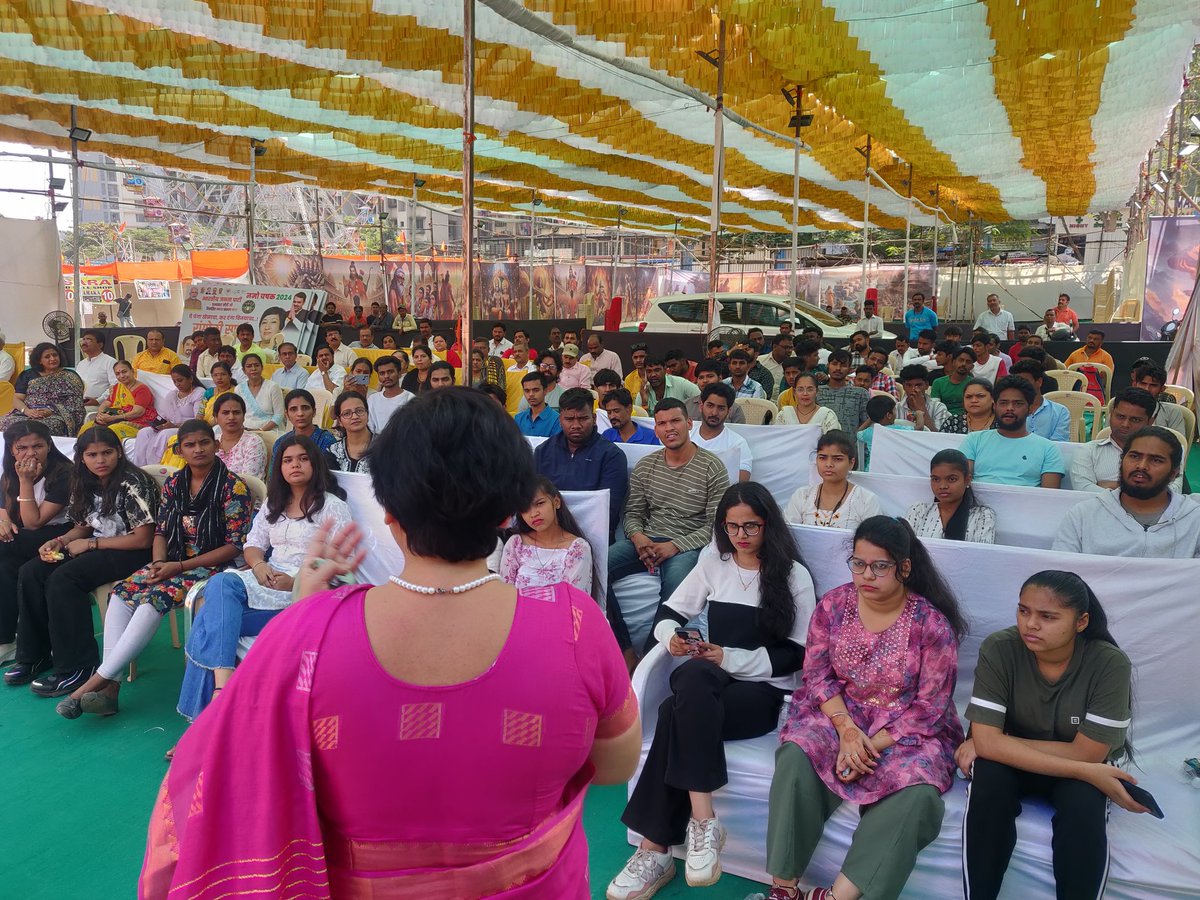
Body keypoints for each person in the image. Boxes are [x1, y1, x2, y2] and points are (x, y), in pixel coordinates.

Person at [142, 388, 641, 897]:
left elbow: (208, 774)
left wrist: (303, 607)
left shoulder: (308, 633)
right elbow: (614, 766)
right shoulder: (576, 626)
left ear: (388, 512)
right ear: (505, 515)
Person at [610, 484, 817, 898]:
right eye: (732, 526)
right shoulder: (714, 559)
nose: (741, 535)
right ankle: (704, 821)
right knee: (691, 676)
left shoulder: (793, 575)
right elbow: (669, 612)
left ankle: (655, 849)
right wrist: (671, 637)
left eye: (751, 526)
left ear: (768, 524)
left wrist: (728, 658)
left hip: (764, 692)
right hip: (715, 679)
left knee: (673, 712)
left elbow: (796, 655)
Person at [763, 516, 966, 900]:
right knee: (796, 754)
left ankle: (838, 896)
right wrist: (847, 730)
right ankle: (784, 888)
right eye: (858, 563)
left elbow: (931, 706)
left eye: (880, 566)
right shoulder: (833, 606)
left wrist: (870, 744)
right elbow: (818, 675)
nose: (866, 575)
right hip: (841, 713)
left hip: (906, 730)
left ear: (904, 568)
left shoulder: (931, 625)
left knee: (918, 795)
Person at [960, 571, 1146, 900]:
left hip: (1054, 763)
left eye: (1047, 616)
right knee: (989, 783)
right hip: (1014, 766)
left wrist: (994, 743)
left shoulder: (1109, 663)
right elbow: (1085, 763)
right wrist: (1090, 772)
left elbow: (1088, 752)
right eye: (1024, 610)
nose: (1030, 624)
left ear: (1081, 621)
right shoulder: (1000, 649)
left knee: (1083, 805)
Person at [60, 420, 251, 718]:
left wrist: (180, 566)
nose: (198, 449)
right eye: (190, 445)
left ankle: (97, 681)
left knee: (153, 600)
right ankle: (112, 689)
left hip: (214, 567)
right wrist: (160, 563)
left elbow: (234, 546)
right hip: (172, 561)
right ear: (180, 450)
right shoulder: (175, 483)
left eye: (204, 443)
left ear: (215, 446)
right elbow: (160, 531)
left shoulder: (232, 487)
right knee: (123, 593)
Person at [175, 435, 351, 725]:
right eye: (288, 460)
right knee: (220, 587)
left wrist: (297, 582)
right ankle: (222, 690)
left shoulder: (332, 507)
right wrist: (257, 565)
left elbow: (342, 566)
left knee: (209, 618)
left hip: (302, 596)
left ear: (315, 464)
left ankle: (205, 721)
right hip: (267, 581)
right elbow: (253, 543)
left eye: (303, 458)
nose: (295, 465)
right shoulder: (275, 503)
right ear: (279, 468)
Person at [10, 427, 157, 697]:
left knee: (64, 579)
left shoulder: (134, 482)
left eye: (107, 453)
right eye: (92, 455)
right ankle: (36, 656)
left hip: (133, 551)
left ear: (119, 453)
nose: (100, 460)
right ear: (82, 457)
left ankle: (79, 668)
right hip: (99, 545)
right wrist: (62, 541)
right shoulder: (83, 481)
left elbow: (144, 540)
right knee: (32, 570)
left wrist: (91, 544)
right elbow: (84, 526)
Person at [607, 399, 729, 661]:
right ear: (656, 430)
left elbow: (716, 526)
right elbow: (633, 514)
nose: (668, 428)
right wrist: (638, 537)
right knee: (595, 565)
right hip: (646, 540)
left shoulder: (712, 467)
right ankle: (623, 649)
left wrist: (674, 545)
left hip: (687, 545)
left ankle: (652, 656)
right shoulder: (646, 466)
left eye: (675, 421)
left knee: (676, 586)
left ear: (689, 423)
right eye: (661, 423)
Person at [1053, 426, 1200, 557]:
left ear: (1174, 472)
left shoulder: (1194, 519)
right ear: (1121, 461)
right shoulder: (1083, 515)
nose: (1141, 466)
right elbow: (1060, 572)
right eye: (1134, 456)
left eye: (1156, 460)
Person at [0, 421, 74, 666]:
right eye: (22, 447)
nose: (30, 453)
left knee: (5, 549)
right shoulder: (10, 469)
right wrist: (3, 523)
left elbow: (34, 522)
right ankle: (7, 640)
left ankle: (7, 639)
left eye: (37, 446)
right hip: (22, 538)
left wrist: (25, 481)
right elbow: (3, 507)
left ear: (49, 446)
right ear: (11, 449)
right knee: (5, 565)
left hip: (60, 536)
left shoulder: (65, 472)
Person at [533, 388, 628, 540]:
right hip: (544, 534)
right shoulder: (543, 452)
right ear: (560, 420)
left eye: (583, 418)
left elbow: (607, 511)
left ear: (594, 418)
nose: (576, 425)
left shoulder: (611, 456)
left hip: (592, 537)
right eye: (569, 419)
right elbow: (532, 500)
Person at [961, 377, 1064, 487]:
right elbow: (961, 483)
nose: (1009, 408)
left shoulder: (1048, 449)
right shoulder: (974, 440)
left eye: (1018, 404)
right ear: (994, 406)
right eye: (1003, 403)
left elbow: (1049, 497)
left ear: (1030, 409)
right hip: (976, 503)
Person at [499, 477, 593, 595]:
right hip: (517, 613)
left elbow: (573, 599)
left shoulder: (577, 548)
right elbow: (505, 593)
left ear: (556, 502)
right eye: (524, 509)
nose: (533, 514)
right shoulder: (516, 543)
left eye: (540, 503)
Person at [784, 431, 882, 529]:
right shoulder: (802, 496)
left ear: (851, 463)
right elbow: (786, 534)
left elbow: (874, 540)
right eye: (822, 458)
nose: (828, 464)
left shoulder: (866, 500)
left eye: (837, 459)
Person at [905, 449, 996, 543]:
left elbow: (982, 554)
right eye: (936, 479)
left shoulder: (982, 516)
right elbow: (904, 549)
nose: (942, 486)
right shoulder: (919, 511)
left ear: (967, 480)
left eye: (952, 479)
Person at [1, 343, 85, 437]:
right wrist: (27, 411)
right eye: (47, 356)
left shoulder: (70, 376)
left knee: (45, 427)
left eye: (55, 355)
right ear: (39, 360)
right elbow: (17, 398)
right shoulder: (28, 375)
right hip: (27, 413)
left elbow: (76, 404)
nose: (52, 359)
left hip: (56, 416)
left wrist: (51, 411)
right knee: (5, 422)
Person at [132, 365, 205, 466]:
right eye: (174, 381)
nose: (177, 384)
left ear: (191, 379)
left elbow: (198, 421)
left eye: (180, 380)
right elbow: (164, 416)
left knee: (165, 434)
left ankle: (154, 468)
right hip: (169, 426)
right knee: (144, 432)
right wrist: (158, 424)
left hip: (188, 428)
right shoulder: (172, 395)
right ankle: (139, 468)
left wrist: (174, 425)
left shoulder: (199, 393)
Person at [690, 383, 752, 481]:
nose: (714, 413)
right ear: (701, 406)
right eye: (710, 406)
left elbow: (741, 483)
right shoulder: (686, 436)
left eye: (721, 408)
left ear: (728, 412)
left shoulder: (738, 444)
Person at [90, 360, 158, 440]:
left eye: (124, 372)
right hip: (113, 418)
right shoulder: (117, 387)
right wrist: (100, 415)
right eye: (117, 374)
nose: (121, 376)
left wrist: (113, 418)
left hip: (135, 421)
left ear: (132, 371)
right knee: (87, 428)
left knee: (110, 431)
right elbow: (106, 403)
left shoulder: (142, 390)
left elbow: (138, 412)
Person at [1009, 359, 1070, 441]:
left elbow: (1058, 445)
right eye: (1015, 382)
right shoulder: (1009, 411)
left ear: (1039, 382)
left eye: (1024, 381)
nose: (1019, 385)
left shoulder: (1060, 411)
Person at [211, 393, 267, 481]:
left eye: (236, 413)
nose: (231, 417)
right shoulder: (212, 441)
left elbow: (249, 481)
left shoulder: (253, 442)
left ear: (244, 416)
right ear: (216, 417)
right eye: (225, 413)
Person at [1130, 361, 1190, 437]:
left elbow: (1179, 444)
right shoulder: (1120, 405)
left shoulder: (1173, 412)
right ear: (1134, 385)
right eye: (1143, 384)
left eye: (1153, 385)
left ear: (1162, 389)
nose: (1147, 389)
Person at [816, 350, 869, 432]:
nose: (838, 368)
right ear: (827, 365)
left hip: (851, 443)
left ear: (850, 369)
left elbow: (866, 423)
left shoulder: (861, 393)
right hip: (821, 442)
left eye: (843, 365)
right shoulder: (816, 391)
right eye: (834, 364)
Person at [276, 390, 337, 461]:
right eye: (293, 409)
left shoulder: (327, 441)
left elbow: (328, 471)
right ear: (287, 415)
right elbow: (275, 471)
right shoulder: (280, 443)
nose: (300, 413)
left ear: (314, 412)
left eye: (305, 408)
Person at [235, 353, 285, 431]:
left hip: (270, 430)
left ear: (262, 367)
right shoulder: (239, 389)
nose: (253, 368)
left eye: (256, 365)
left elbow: (279, 415)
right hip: (245, 430)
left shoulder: (273, 387)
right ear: (244, 370)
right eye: (249, 366)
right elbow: (237, 413)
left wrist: (260, 430)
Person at [328, 391, 375, 475]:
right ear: (339, 421)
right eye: (347, 413)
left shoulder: (385, 447)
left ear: (367, 414)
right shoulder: (333, 452)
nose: (355, 416)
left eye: (359, 411)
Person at [776, 372, 841, 432]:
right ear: (794, 392)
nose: (805, 393)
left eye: (810, 389)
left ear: (817, 391)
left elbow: (833, 442)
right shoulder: (784, 414)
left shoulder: (827, 415)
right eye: (800, 389)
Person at [895, 364, 948, 432]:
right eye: (909, 385)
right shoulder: (896, 408)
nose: (913, 389)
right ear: (903, 386)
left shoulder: (938, 407)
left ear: (926, 385)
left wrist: (921, 407)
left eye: (918, 385)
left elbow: (938, 436)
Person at [1065, 330, 1115, 402]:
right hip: (1075, 390)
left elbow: (1107, 378)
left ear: (1101, 343)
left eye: (1096, 339)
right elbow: (1065, 370)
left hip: (1096, 391)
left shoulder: (1106, 357)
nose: (1091, 340)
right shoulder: (1075, 354)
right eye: (1090, 338)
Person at [367, 356, 412, 433]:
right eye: (382, 373)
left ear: (399, 373)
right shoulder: (372, 399)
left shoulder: (410, 399)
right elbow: (370, 427)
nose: (386, 376)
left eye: (390, 372)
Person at [74, 330, 119, 407]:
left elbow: (116, 385)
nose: (84, 342)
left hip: (100, 406)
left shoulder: (110, 362)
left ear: (100, 345)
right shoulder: (81, 364)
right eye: (83, 339)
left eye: (89, 339)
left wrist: (98, 400)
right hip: (78, 404)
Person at [930, 346, 974, 416]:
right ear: (953, 362)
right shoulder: (938, 383)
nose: (963, 364)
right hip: (943, 418)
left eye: (968, 362)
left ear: (972, 367)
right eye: (961, 360)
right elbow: (934, 407)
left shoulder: (974, 384)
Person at [515, 371, 561, 437]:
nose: (531, 394)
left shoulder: (557, 420)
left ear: (545, 391)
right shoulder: (518, 418)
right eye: (527, 391)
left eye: (536, 390)